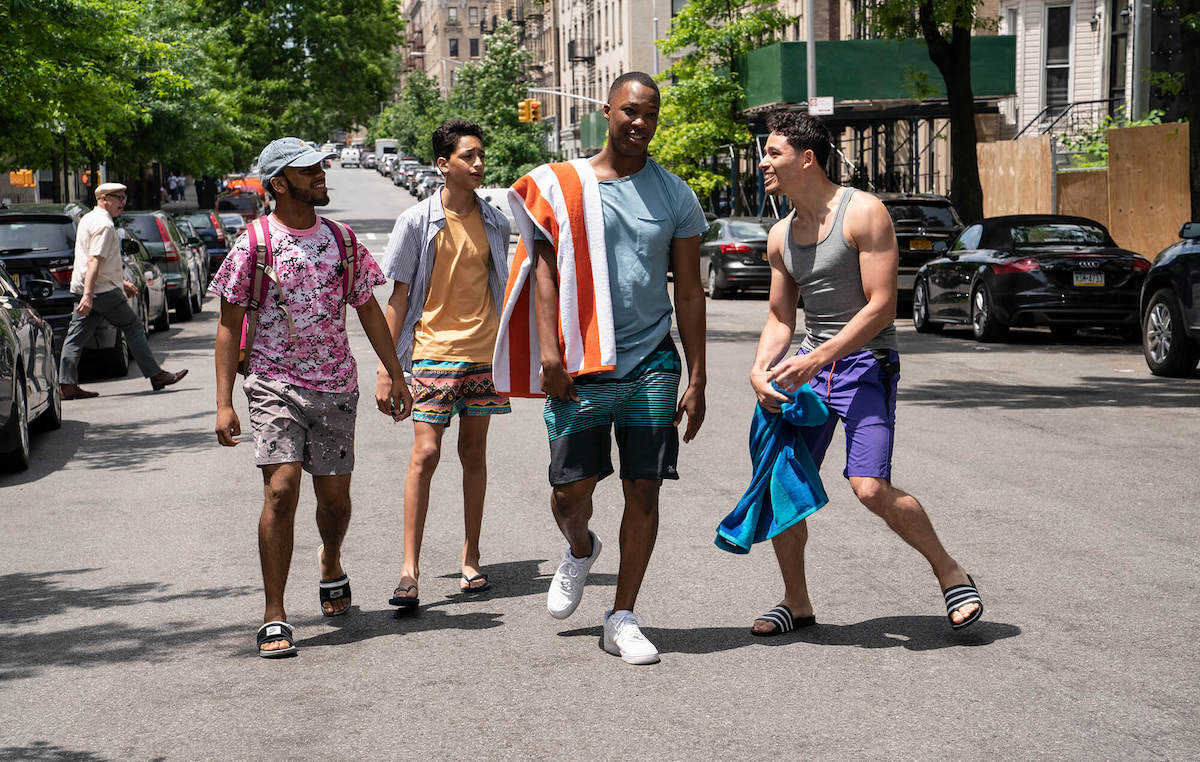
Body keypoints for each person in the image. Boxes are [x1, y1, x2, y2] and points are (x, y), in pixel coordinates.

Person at [493, 72, 708, 665]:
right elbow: (541, 269)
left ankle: (623, 616)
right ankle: (580, 547)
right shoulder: (563, 186)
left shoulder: (675, 195)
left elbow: (689, 292)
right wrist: (549, 353)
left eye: (652, 115)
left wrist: (699, 377)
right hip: (580, 365)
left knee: (645, 488)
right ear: (607, 111)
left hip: (652, 366)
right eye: (631, 112)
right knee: (569, 492)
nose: (641, 123)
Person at [747, 111, 983, 636]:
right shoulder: (780, 235)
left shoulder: (864, 213)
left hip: (864, 363)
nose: (763, 163)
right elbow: (781, 317)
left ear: (806, 159)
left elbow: (880, 307)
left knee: (869, 486)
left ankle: (951, 572)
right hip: (811, 365)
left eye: (773, 153)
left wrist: (817, 357)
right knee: (784, 483)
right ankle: (797, 601)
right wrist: (761, 370)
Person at [210, 137, 410, 658]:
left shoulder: (343, 242)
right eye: (308, 170)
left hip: (336, 387)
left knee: (334, 499)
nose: (321, 174)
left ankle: (330, 559)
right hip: (274, 384)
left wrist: (396, 373)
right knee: (281, 490)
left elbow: (369, 311)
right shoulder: (253, 244)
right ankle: (275, 613)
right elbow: (229, 326)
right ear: (279, 183)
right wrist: (223, 401)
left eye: (321, 166)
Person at [377, 120, 511, 608]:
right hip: (432, 351)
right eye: (468, 156)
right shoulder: (416, 221)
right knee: (425, 454)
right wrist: (389, 370)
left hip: (483, 353)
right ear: (443, 164)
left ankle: (471, 556)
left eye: (481, 156)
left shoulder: (496, 221)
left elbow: (506, 290)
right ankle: (408, 570)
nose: (478, 164)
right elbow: (399, 298)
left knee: (474, 455)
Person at [58, 182, 188, 400]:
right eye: (119, 198)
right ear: (104, 199)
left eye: (124, 198)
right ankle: (156, 375)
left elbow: (102, 261)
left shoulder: (88, 219)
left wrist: (119, 283)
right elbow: (94, 261)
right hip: (99, 290)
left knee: (75, 337)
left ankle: (67, 384)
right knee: (133, 326)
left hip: (86, 287)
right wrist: (90, 295)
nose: (123, 203)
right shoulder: (105, 226)